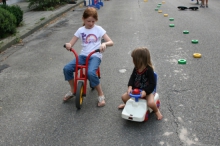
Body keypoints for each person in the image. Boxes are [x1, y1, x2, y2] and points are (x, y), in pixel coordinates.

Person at [63, 7, 113, 107]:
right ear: (83, 19)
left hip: (95, 55)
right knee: (67, 68)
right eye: (88, 21)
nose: (90, 23)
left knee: (90, 72)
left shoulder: (99, 29)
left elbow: (111, 42)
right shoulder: (80, 30)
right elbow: (71, 43)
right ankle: (73, 90)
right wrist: (68, 45)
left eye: (93, 21)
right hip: (83, 56)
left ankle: (101, 94)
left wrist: (104, 44)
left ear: (96, 20)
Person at [118, 47, 163, 120]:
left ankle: (157, 111)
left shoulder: (149, 70)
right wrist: (130, 86)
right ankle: (127, 105)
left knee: (150, 103)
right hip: (136, 90)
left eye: (134, 59)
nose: (132, 61)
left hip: (148, 91)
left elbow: (152, 84)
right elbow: (132, 77)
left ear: (139, 60)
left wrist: (146, 91)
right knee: (124, 97)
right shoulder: (136, 68)